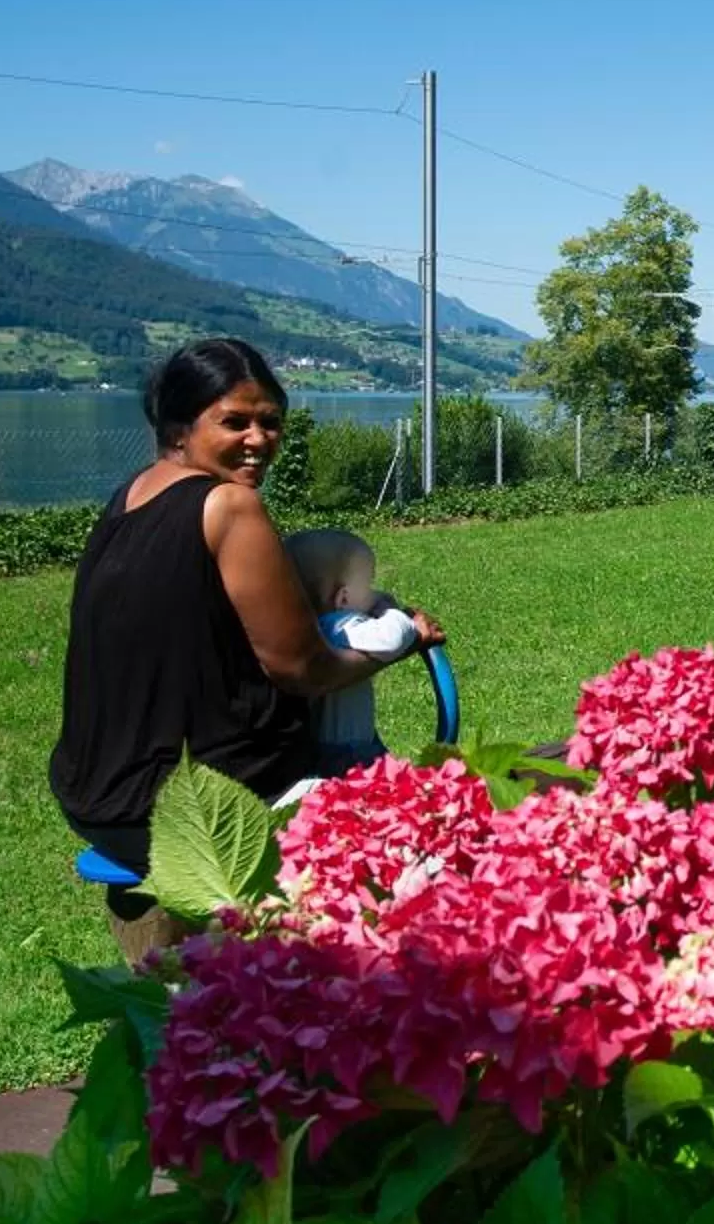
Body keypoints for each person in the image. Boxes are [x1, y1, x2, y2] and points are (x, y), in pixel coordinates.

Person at [49, 338, 441, 955]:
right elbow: (302, 668)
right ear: (180, 426)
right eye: (234, 421)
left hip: (95, 794)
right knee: (420, 834)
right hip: (201, 806)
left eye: (271, 422)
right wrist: (398, 642)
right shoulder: (229, 504)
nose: (259, 440)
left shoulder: (129, 497)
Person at [284, 526, 428, 775]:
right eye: (369, 585)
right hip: (346, 754)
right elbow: (389, 640)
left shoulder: (308, 629)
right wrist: (396, 615)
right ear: (343, 599)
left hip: (332, 747)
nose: (375, 593)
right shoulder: (339, 625)